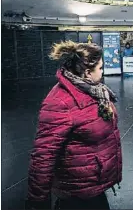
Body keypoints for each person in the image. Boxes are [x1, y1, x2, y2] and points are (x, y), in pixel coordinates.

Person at [25, 41, 122, 210]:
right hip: (77, 192)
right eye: (100, 68)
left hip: (92, 183)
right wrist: (38, 201)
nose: (103, 71)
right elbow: (44, 155)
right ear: (87, 72)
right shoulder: (59, 103)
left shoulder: (93, 90)